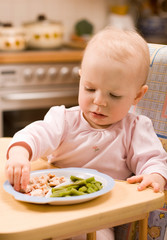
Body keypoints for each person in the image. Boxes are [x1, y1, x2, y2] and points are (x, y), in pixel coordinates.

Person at [5, 27, 167, 240]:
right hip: (48, 207)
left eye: (114, 94)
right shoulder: (63, 120)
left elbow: (153, 158)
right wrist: (19, 154)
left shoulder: (135, 128)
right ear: (81, 79)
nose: (99, 101)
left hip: (98, 216)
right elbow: (34, 135)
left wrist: (154, 175)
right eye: (90, 89)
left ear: (138, 95)